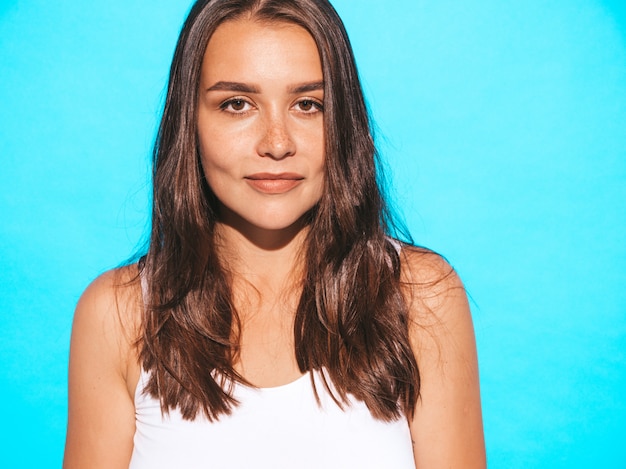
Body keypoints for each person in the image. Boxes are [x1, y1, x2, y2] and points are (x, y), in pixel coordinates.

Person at [63, 0, 486, 467]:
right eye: (237, 104)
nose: (277, 143)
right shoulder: (117, 315)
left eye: (307, 105)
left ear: (342, 122)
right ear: (190, 123)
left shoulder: (421, 297)